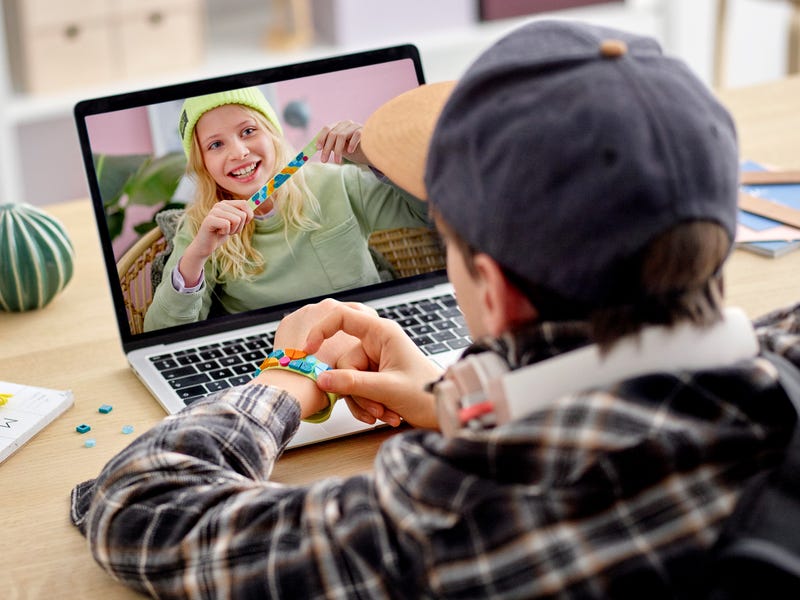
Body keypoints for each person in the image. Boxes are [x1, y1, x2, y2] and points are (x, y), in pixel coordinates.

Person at [70, 20, 800, 598]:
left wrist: (290, 375)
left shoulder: (447, 510)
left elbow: (143, 505)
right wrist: (459, 394)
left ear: (491, 287)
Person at [143, 86, 430, 331]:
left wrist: (376, 156)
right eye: (216, 144)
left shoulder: (338, 184)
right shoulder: (202, 228)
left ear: (273, 134)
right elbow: (161, 335)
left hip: (366, 339)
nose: (239, 152)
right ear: (202, 163)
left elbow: (434, 211)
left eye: (248, 131)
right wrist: (197, 255)